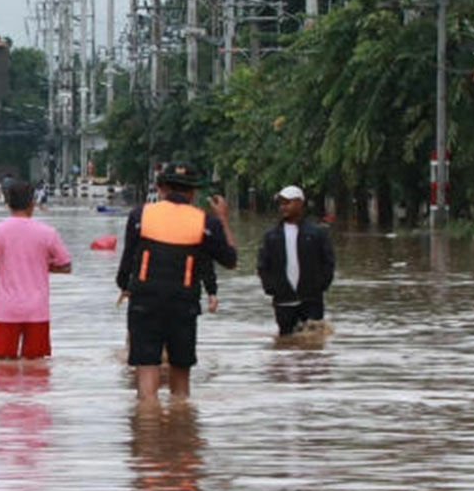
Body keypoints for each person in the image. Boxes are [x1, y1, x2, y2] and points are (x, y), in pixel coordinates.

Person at [115, 162, 237, 401]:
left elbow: (124, 269)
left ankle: (147, 430)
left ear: (163, 188)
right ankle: (181, 430)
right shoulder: (205, 223)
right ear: (193, 193)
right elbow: (230, 260)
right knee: (181, 387)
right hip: (183, 306)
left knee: (147, 382)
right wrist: (222, 219)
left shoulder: (140, 215)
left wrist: (127, 288)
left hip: (144, 304)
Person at [0, 179, 73, 360]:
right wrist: (43, 264)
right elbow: (66, 266)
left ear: (8, 204)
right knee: (37, 369)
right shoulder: (47, 233)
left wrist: (4, 262)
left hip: (6, 311)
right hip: (37, 311)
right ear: (33, 204)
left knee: (3, 368)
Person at [256, 184, 335, 335]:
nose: (283, 207)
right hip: (283, 300)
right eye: (281, 203)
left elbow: (328, 262)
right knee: (286, 341)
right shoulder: (272, 236)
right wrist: (271, 287)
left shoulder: (317, 233)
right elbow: (263, 265)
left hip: (311, 299)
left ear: (300, 203)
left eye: (288, 203)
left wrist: (321, 285)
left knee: (314, 343)